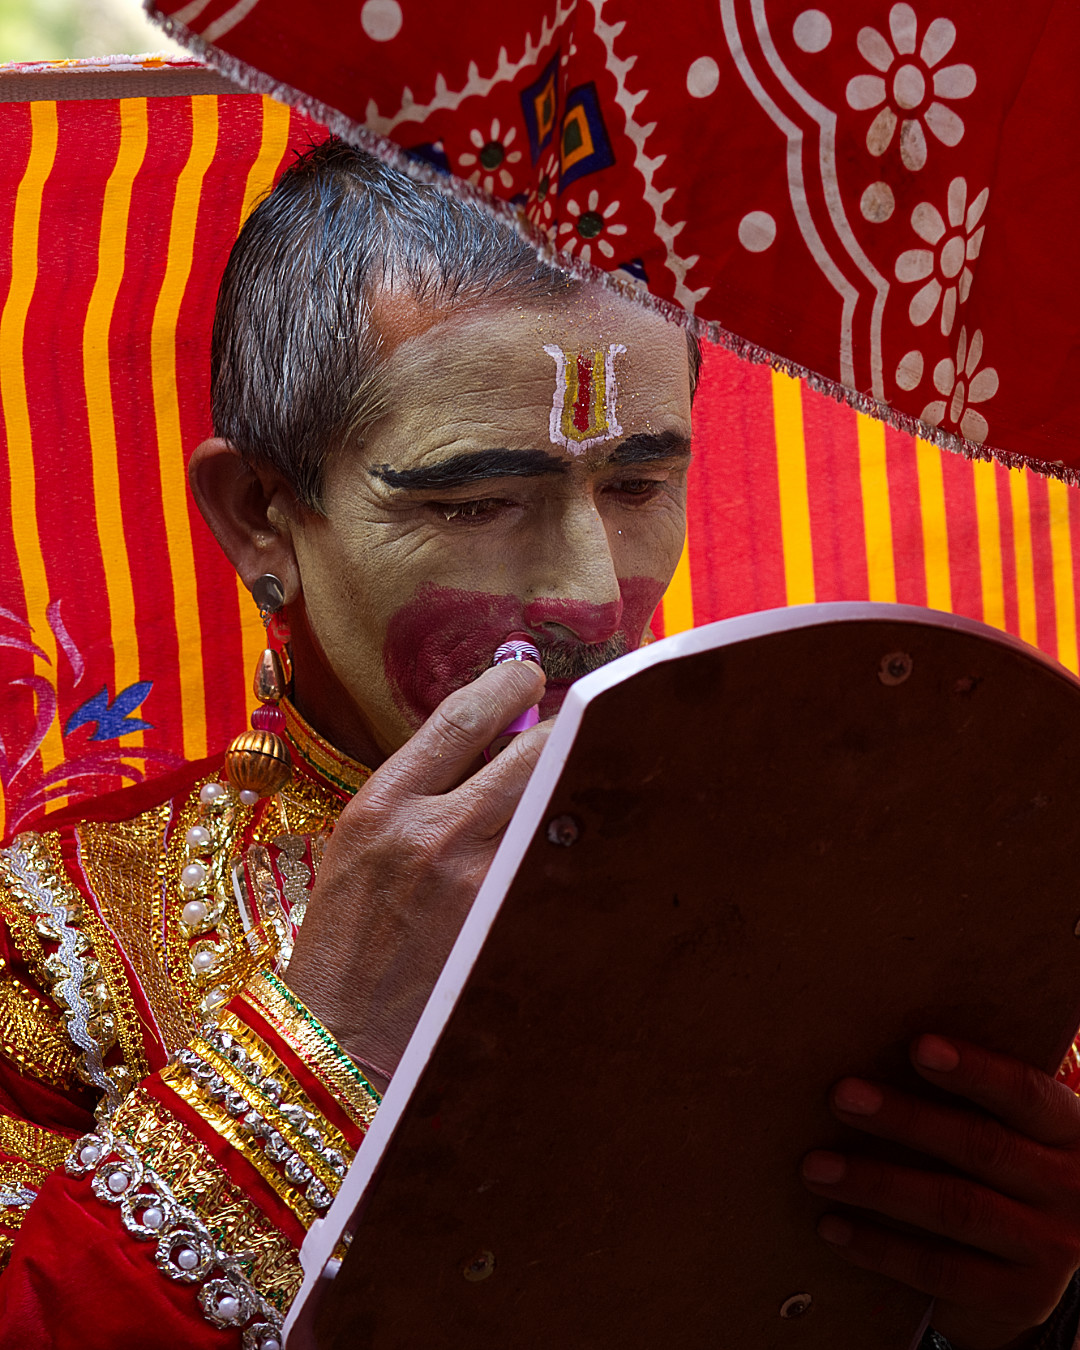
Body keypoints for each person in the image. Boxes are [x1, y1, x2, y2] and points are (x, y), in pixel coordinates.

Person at [0, 138, 1077, 1349]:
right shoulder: (59, 936)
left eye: (636, 486)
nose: (586, 591)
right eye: (476, 500)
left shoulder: (861, 866)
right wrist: (318, 1046)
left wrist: (1012, 1306)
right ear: (262, 514)